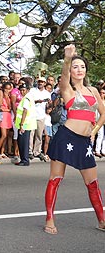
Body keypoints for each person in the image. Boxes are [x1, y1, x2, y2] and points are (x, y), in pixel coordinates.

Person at [44, 44, 105, 234]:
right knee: (55, 179)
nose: (79, 70)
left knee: (93, 184)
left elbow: (103, 114)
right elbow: (63, 78)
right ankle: (49, 219)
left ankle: (102, 221)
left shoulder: (94, 91)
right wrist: (67, 58)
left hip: (84, 143)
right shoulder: (67, 89)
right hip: (66, 137)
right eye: (75, 67)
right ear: (70, 70)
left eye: (82, 67)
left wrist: (94, 130)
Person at [14, 83, 36, 166]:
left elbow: (25, 111)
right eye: (21, 90)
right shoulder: (28, 97)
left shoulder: (26, 98)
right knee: (21, 142)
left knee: (23, 142)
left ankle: (25, 160)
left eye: (24, 90)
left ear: (27, 90)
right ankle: (23, 159)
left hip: (25, 124)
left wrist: (22, 124)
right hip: (26, 124)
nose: (22, 92)